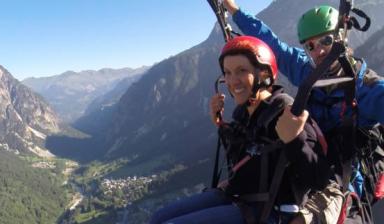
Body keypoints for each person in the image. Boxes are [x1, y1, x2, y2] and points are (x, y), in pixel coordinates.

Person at [221, 0, 384, 221]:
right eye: (310, 46)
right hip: (306, 159)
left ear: (341, 37)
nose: (319, 51)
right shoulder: (307, 72)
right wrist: (234, 10)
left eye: (326, 40)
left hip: (343, 177)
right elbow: (271, 43)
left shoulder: (367, 89)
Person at [150, 36, 340, 224]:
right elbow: (242, 156)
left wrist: (295, 140)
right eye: (228, 73)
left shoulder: (286, 113)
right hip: (243, 196)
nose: (232, 81)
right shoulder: (245, 113)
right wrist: (221, 124)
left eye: (241, 71)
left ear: (264, 75)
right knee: (157, 218)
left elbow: (320, 179)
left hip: (271, 210)